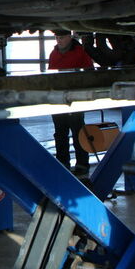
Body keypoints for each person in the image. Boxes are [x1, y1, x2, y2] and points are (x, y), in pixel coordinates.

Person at [47, 30, 94, 174]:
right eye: (56, 38)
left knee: (78, 131)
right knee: (60, 132)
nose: (58, 40)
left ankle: (82, 164)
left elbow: (89, 73)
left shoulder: (81, 52)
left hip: (76, 98)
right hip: (58, 98)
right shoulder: (53, 54)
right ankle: (63, 163)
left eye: (61, 38)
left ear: (69, 37)